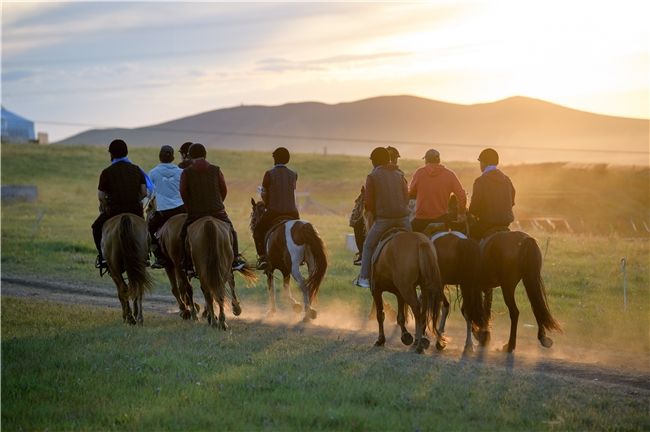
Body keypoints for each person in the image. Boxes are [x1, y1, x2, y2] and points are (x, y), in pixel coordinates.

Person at [179, 143, 246, 274]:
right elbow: (224, 189)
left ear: (190, 156)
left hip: (196, 213)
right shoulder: (216, 169)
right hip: (217, 212)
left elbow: (183, 192)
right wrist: (219, 203)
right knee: (231, 230)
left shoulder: (186, 172)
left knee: (183, 235)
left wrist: (189, 207)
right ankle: (236, 259)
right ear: (205, 155)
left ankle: (187, 264)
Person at [355, 147, 411, 288]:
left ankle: (364, 277)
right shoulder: (400, 174)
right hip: (404, 220)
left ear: (374, 161)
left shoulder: (372, 176)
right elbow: (406, 197)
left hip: (384, 220)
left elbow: (369, 203)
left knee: (368, 245)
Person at [91, 139, 148, 269]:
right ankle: (146, 255)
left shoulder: (106, 172)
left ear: (111, 154)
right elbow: (144, 192)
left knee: (96, 228)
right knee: (145, 229)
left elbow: (100, 196)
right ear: (126, 152)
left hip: (114, 212)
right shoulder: (136, 169)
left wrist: (106, 204)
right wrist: (135, 200)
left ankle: (103, 257)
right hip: (135, 211)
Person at [253, 147, 300, 270]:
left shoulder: (268, 174)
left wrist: (267, 203)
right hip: (293, 213)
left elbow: (264, 194)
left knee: (257, 231)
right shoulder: (294, 175)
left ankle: (262, 257)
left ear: (275, 158)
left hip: (274, 212)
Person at [408, 149, 467, 233]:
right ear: (439, 160)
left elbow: (411, 193)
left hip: (421, 220)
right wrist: (461, 213)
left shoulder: (419, 173)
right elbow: (462, 195)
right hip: (441, 219)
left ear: (426, 160)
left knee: (408, 236)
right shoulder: (449, 174)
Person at [148, 145, 185, 268]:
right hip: (181, 209)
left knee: (148, 230)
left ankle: (159, 257)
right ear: (173, 158)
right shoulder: (181, 172)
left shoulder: (153, 173)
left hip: (164, 212)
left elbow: (149, 195)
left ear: (159, 157)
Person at [468, 148, 516, 240]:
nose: (480, 165)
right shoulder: (507, 180)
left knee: (470, 238)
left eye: (480, 162)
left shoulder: (480, 181)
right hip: (505, 224)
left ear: (485, 163)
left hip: (486, 224)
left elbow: (474, 207)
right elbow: (512, 201)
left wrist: (472, 213)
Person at [348, 186, 366, 266]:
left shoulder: (374, 177)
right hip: (403, 218)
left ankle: (363, 256)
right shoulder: (400, 176)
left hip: (385, 219)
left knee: (369, 245)